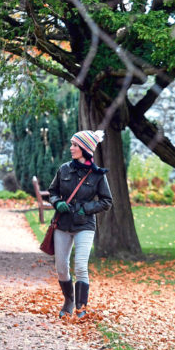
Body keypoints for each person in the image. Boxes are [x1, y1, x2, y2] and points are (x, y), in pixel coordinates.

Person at [48, 129, 113, 318]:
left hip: (84, 225)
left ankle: (81, 307)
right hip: (63, 224)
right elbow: (52, 192)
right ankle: (68, 300)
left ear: (85, 149)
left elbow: (106, 201)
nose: (71, 148)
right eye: (72, 144)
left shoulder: (97, 175)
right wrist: (57, 202)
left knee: (81, 266)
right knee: (61, 268)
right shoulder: (64, 169)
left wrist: (86, 208)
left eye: (75, 145)